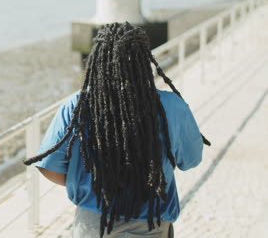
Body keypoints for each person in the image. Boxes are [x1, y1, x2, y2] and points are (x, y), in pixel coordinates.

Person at [24, 22, 210, 238]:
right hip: (152, 221)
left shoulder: (75, 106)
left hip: (94, 224)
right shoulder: (171, 106)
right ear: (144, 60)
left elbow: (49, 167)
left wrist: (96, 183)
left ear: (97, 60)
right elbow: (191, 160)